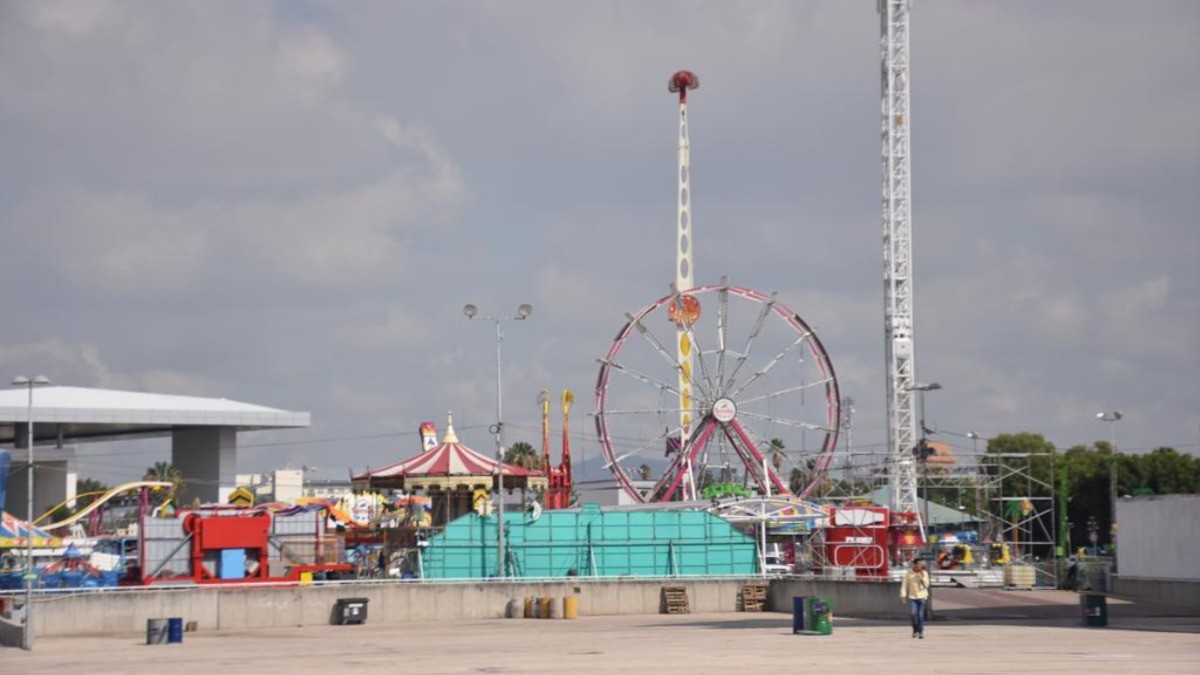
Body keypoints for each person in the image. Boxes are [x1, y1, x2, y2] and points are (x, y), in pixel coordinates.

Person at [900, 559, 930, 639]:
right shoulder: (909, 573)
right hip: (913, 597)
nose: (919, 566)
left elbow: (926, 585)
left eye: (921, 564)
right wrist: (903, 595)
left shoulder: (924, 573)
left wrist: (922, 577)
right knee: (913, 614)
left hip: (922, 596)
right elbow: (905, 584)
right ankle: (915, 629)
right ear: (914, 565)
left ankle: (920, 632)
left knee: (920, 615)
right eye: (918, 564)